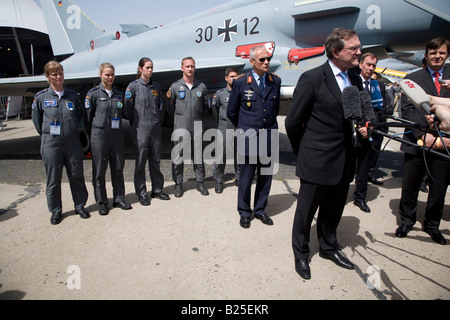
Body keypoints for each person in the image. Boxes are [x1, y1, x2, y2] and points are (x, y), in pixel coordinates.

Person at [285, 28, 361, 280]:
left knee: (334, 208)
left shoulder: (355, 79)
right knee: (306, 212)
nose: (359, 52)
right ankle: (301, 253)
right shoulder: (313, 78)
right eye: (354, 48)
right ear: (336, 51)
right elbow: (293, 123)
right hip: (317, 160)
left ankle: (328, 247)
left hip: (345, 159)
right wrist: (305, 153)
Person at [395, 37, 450, 245]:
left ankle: (432, 225)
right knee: (410, 184)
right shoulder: (412, 78)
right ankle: (407, 220)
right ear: (426, 55)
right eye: (433, 53)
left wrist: (439, 135)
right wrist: (422, 134)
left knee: (439, 186)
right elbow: (407, 110)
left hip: (445, 142)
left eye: (441, 53)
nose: (437, 56)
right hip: (417, 140)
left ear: (447, 55)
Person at [227, 45, 281, 229]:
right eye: (262, 60)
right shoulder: (241, 82)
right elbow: (232, 112)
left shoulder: (275, 81)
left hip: (268, 137)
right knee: (246, 178)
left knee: (265, 176)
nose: (267, 62)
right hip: (248, 137)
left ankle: (260, 209)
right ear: (252, 62)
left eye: (268, 59)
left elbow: (276, 110)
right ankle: (244, 211)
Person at [31, 61, 90, 225]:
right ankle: (56, 210)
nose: (58, 77)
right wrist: (49, 135)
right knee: (53, 179)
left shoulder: (72, 96)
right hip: (51, 144)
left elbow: (78, 116)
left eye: (60, 74)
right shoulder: (41, 97)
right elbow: (37, 122)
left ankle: (80, 206)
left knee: (76, 175)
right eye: (54, 74)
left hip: (72, 143)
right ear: (48, 76)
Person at [85, 63, 132, 215]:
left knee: (118, 167)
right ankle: (102, 202)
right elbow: (87, 118)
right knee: (99, 170)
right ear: (101, 75)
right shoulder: (93, 94)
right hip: (100, 136)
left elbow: (124, 111)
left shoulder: (119, 93)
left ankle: (119, 198)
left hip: (117, 135)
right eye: (107, 75)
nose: (110, 77)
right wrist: (95, 132)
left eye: (112, 74)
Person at [125, 58, 170, 206]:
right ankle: (142, 192)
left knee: (156, 159)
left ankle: (157, 189)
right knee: (141, 161)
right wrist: (136, 124)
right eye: (147, 68)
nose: (150, 70)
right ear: (140, 69)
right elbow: (128, 109)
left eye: (152, 68)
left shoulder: (156, 87)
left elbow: (160, 106)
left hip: (155, 127)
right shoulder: (133, 87)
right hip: (141, 127)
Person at [351, 53, 392, 213]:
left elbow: (382, 112)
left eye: (373, 66)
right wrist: (358, 127)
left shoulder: (378, 86)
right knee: (347, 167)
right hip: (354, 132)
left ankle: (360, 197)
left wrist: (371, 127)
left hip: (371, 133)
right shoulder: (352, 84)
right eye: (368, 64)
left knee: (364, 168)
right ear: (360, 64)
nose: (370, 68)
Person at [167, 57, 210, 197]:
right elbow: (169, 107)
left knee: (198, 156)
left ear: (195, 68)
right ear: (182, 68)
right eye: (187, 66)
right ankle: (178, 184)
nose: (190, 69)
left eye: (192, 66)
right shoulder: (175, 87)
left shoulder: (201, 86)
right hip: (181, 126)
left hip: (197, 126)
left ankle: (200, 182)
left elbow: (205, 107)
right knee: (178, 156)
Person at [212, 67, 240, 193]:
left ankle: (239, 178)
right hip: (224, 127)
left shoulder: (242, 92)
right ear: (226, 78)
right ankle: (218, 180)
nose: (234, 78)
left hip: (239, 128)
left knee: (239, 155)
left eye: (236, 76)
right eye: (231, 76)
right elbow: (214, 111)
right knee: (220, 155)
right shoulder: (220, 94)